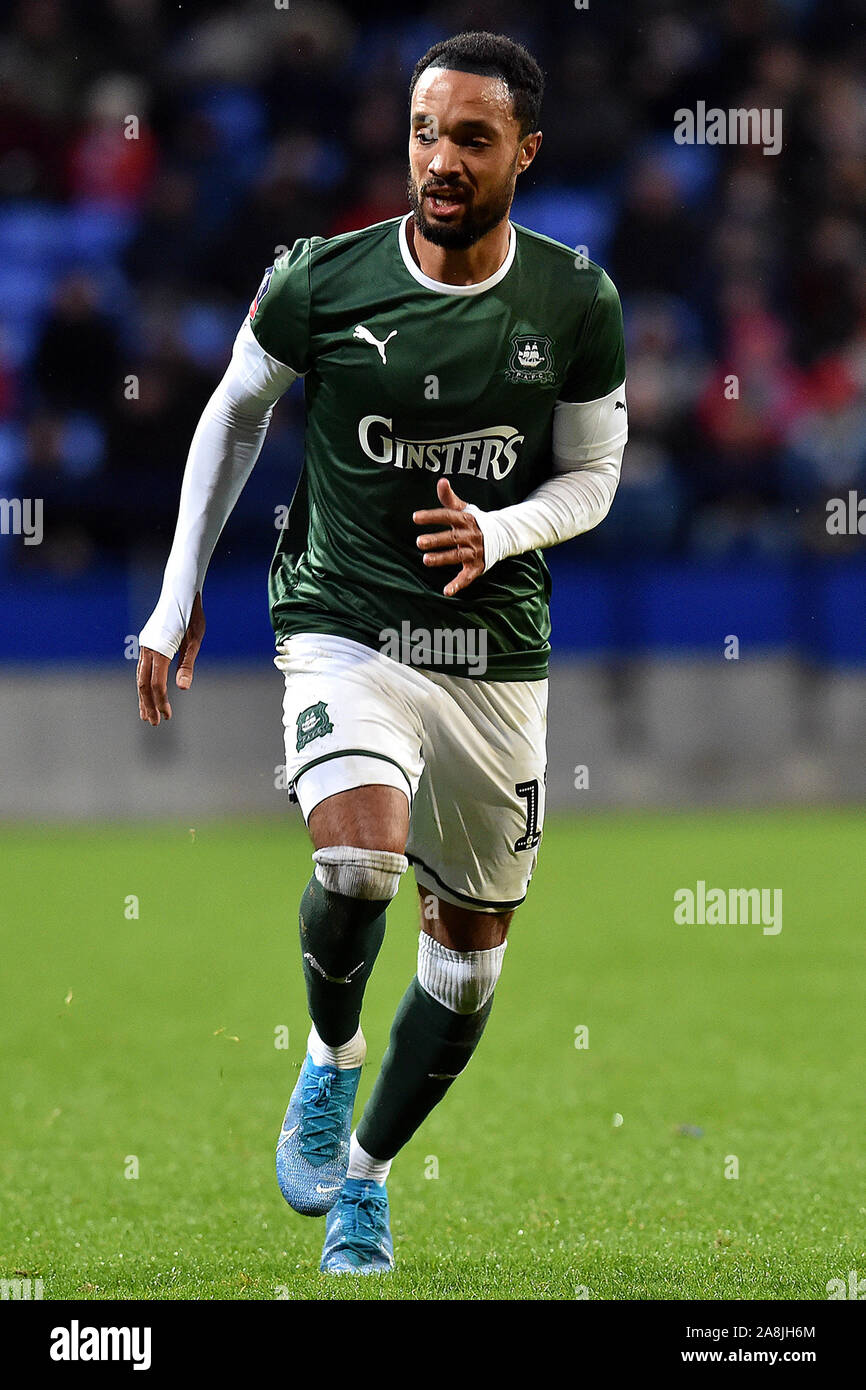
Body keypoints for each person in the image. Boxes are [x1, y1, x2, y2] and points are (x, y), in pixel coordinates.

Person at [136, 30, 627, 1275]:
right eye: (424, 131)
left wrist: (499, 527)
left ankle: (363, 1175)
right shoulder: (320, 280)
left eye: (471, 137)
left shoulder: (575, 301)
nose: (441, 158)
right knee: (355, 860)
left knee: (463, 977)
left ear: (524, 149)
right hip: (342, 624)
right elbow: (231, 415)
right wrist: (175, 593)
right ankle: (328, 1056)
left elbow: (595, 473)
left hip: (493, 656)